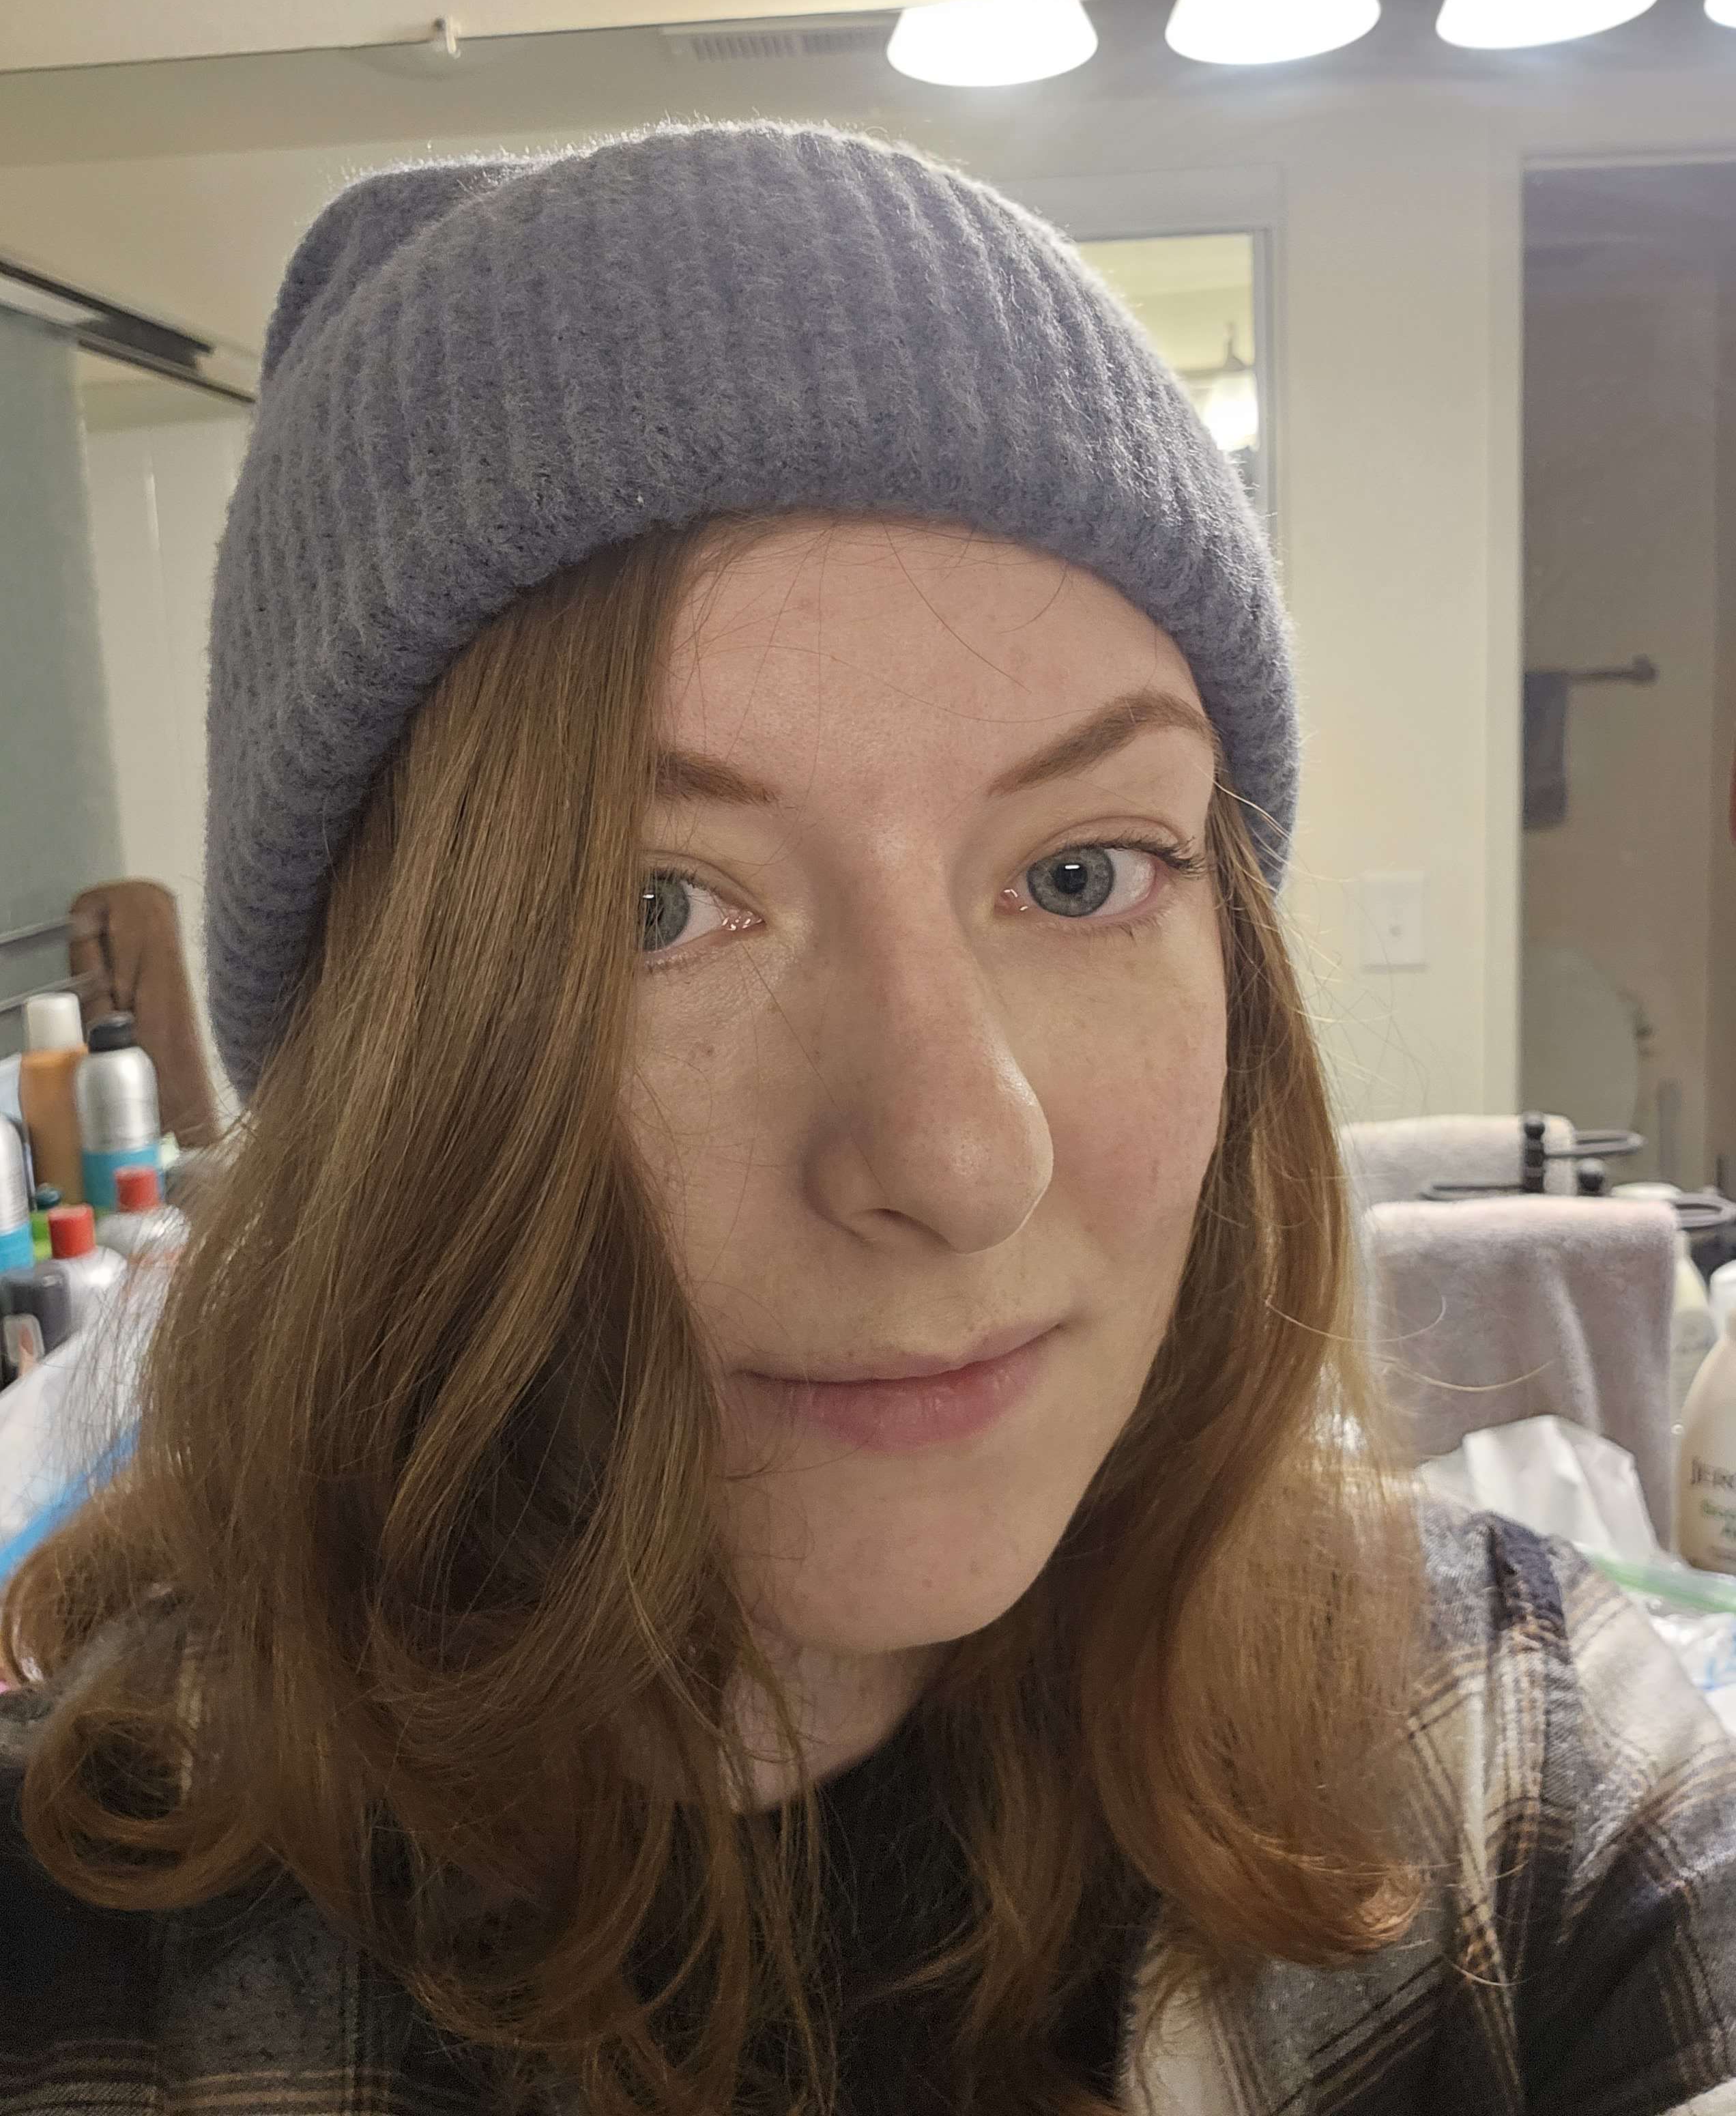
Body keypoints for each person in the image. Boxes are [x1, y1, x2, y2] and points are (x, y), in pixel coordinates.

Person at [0, 124, 1730, 2116]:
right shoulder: (76, 1964)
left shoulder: (1512, 1751)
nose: (959, 1159)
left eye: (1082, 874)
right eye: (649, 909)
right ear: (365, 1070)